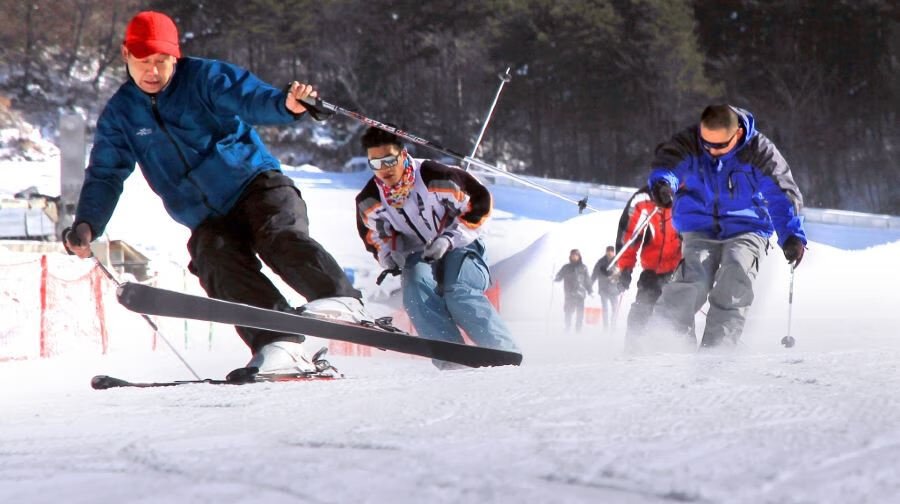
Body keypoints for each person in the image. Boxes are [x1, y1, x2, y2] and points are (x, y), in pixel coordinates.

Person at [62, 11, 369, 375]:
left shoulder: (204, 78)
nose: (153, 71)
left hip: (255, 185)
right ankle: (279, 342)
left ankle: (339, 297)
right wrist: (88, 223)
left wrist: (286, 105)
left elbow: (250, 98)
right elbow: (105, 173)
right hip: (208, 218)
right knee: (211, 257)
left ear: (176, 56)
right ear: (125, 54)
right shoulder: (121, 115)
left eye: (162, 61)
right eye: (143, 62)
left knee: (277, 236)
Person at [644, 104, 807, 349]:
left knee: (736, 271)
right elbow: (668, 165)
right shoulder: (690, 141)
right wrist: (662, 185)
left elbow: (782, 194)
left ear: (738, 134)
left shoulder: (759, 152)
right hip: (699, 224)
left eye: (719, 145)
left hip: (748, 225)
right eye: (706, 144)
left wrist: (791, 234)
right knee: (694, 277)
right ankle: (666, 340)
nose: (711, 151)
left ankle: (718, 348)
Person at [354, 127, 518, 367]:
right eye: (376, 163)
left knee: (457, 291)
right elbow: (375, 236)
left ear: (403, 154)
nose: (384, 169)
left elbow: (480, 203)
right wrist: (389, 254)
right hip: (419, 254)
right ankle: (453, 363)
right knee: (416, 296)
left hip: (461, 244)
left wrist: (448, 239)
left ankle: (503, 354)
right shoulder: (370, 199)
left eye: (389, 160)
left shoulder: (434, 176)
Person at [614, 187, 683, 348]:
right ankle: (632, 349)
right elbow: (630, 235)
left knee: (674, 313)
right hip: (653, 270)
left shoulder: (688, 196)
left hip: (678, 270)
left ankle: (673, 350)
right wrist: (625, 268)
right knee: (643, 307)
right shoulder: (645, 198)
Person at [555, 249, 592, 332]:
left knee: (580, 314)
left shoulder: (583, 267)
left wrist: (590, 291)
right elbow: (559, 276)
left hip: (580, 294)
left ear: (579, 256)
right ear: (570, 256)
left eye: (576, 255)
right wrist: (556, 277)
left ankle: (578, 330)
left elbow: (587, 280)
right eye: (573, 255)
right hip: (569, 294)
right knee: (568, 312)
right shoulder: (566, 267)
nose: (574, 257)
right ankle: (567, 328)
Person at [590, 246, 621, 332]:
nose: (610, 253)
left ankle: (613, 326)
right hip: (603, 289)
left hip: (614, 290)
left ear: (614, 252)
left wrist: (623, 285)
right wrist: (589, 285)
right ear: (606, 252)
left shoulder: (618, 261)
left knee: (615, 309)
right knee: (605, 309)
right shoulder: (601, 262)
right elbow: (594, 274)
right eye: (608, 251)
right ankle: (605, 328)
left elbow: (621, 274)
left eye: (611, 251)